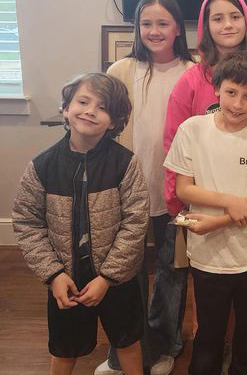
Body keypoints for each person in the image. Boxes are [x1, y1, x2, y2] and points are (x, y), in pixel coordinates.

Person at [12, 73, 149, 375]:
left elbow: (136, 222)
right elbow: (27, 221)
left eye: (102, 107)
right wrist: (53, 274)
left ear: (114, 121)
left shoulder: (125, 163)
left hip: (118, 277)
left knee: (127, 340)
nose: (90, 111)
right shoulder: (42, 165)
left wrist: (108, 277)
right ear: (66, 108)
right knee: (64, 346)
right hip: (66, 278)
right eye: (83, 101)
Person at [163, 50, 247, 375]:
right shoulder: (193, 129)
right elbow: (184, 190)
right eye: (231, 92)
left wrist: (221, 217)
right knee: (209, 335)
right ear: (218, 88)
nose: (237, 103)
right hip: (208, 257)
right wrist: (229, 200)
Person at [95, 0, 195, 375]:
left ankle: (165, 343)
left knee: (172, 271)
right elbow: (105, 125)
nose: (155, 31)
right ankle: (127, 345)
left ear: (177, 28)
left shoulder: (194, 69)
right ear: (137, 28)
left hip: (177, 190)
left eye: (163, 23)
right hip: (128, 190)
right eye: (147, 23)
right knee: (126, 271)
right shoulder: (121, 70)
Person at [164, 0, 247, 219]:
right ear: (206, 26)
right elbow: (173, 141)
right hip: (200, 204)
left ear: (246, 21)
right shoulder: (189, 81)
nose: (227, 25)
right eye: (217, 18)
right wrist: (176, 204)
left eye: (235, 17)